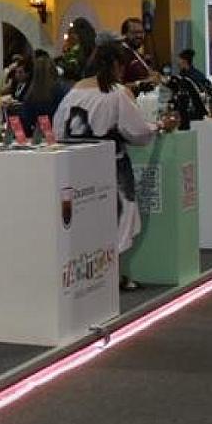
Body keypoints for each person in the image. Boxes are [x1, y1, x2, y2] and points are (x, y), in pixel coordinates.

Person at [54, 41, 157, 291]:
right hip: (111, 165)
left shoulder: (74, 91)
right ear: (116, 65)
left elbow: (58, 128)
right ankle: (111, 273)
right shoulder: (115, 93)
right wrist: (157, 126)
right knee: (121, 217)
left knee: (87, 220)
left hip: (76, 165)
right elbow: (137, 131)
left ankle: (93, 274)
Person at [19, 52, 67, 136]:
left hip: (36, 136)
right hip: (56, 134)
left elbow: (25, 122)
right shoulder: (59, 91)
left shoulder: (29, 95)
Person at [119, 17, 158, 92]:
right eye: (134, 33)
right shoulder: (120, 54)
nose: (139, 36)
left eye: (141, 32)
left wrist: (153, 76)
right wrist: (142, 83)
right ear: (124, 34)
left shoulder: (136, 53)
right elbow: (116, 86)